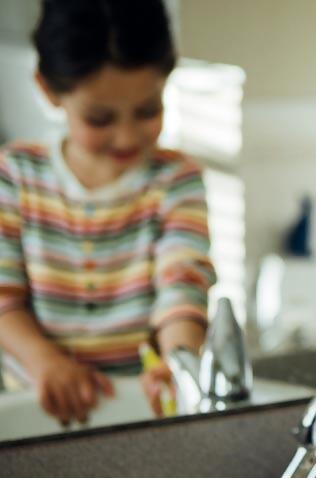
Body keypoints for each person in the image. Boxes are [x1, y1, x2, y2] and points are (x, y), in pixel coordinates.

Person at [0, 0, 216, 424]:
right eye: (100, 118)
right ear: (48, 89)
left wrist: (178, 361)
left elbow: (182, 286)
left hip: (143, 409)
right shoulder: (15, 174)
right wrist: (45, 361)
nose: (126, 136)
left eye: (148, 111)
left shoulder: (176, 178)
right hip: (33, 411)